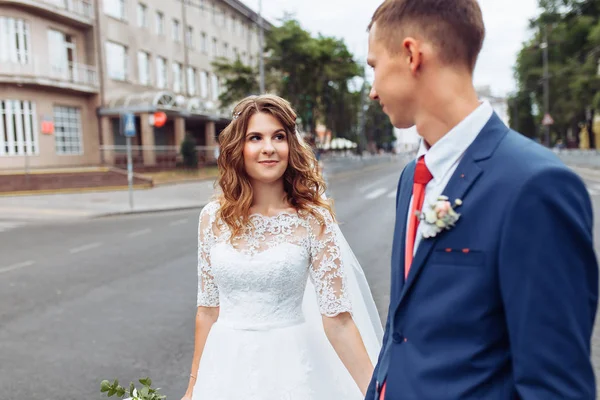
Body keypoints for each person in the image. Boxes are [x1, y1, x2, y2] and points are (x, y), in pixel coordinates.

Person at [365, 0, 598, 399]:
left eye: (373, 67)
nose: (372, 91)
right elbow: (400, 332)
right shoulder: (411, 177)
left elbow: (555, 386)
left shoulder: (536, 186)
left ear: (411, 54)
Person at [181, 94, 383, 400]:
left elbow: (338, 321)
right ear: (239, 148)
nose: (268, 148)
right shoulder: (212, 218)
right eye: (255, 138)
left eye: (278, 136)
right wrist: (193, 387)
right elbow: (207, 311)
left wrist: (378, 393)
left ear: (290, 144)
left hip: (291, 369)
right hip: (223, 369)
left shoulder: (314, 220)